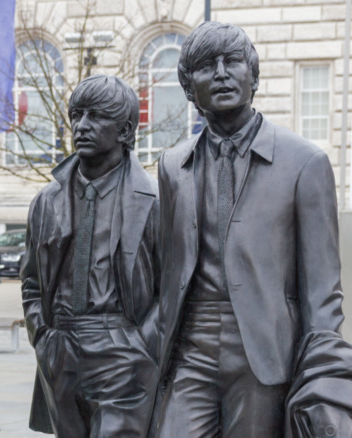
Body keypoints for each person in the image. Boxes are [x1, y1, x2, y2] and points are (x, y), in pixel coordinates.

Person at [154, 21, 345, 436]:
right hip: (191, 347)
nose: (221, 72)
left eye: (233, 61)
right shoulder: (172, 166)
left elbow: (322, 294)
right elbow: (167, 269)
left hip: (266, 352)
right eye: (206, 66)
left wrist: (327, 377)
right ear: (189, 88)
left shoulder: (304, 163)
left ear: (253, 76)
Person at [21, 74, 160, 438]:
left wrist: (141, 345)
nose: (81, 126)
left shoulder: (156, 202)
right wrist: (43, 336)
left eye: (96, 116)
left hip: (123, 349)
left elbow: (173, 286)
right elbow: (32, 280)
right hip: (61, 349)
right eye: (77, 115)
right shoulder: (46, 201)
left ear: (126, 131)